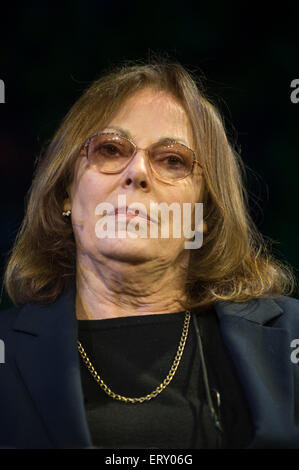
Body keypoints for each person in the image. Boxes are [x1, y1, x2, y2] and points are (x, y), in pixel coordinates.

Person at [0, 61, 298, 449]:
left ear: (204, 213)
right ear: (66, 193)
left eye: (172, 160)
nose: (137, 171)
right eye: (110, 149)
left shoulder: (290, 336)